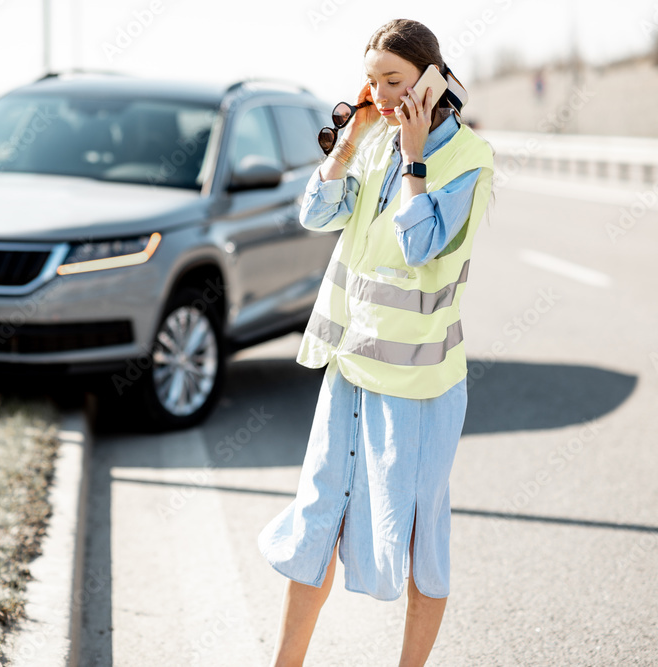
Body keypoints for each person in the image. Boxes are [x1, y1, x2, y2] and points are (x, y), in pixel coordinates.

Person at [257, 18, 495, 667]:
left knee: (420, 541)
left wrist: (415, 158)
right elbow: (316, 214)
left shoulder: (469, 160)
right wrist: (348, 144)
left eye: (393, 80)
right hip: (349, 372)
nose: (382, 94)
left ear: (433, 79)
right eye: (372, 81)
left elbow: (421, 247)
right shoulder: (374, 141)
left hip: (420, 389)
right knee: (316, 522)